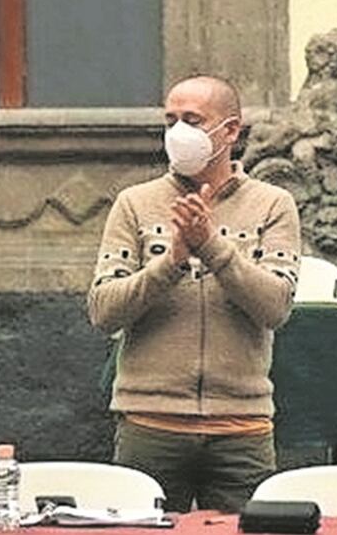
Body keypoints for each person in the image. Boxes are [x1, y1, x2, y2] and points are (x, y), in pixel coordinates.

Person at [88, 75, 301, 512]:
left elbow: (275, 305)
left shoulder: (273, 204)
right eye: (170, 120)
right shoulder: (135, 203)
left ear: (230, 131)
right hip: (149, 424)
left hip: (241, 428)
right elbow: (104, 310)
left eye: (192, 120)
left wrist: (212, 246)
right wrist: (171, 262)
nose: (178, 133)